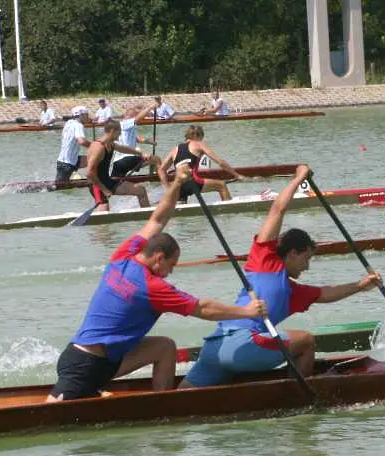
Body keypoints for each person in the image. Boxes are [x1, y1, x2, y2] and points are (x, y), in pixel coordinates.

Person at [46, 163, 267, 402]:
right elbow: (204, 308)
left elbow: (158, 218)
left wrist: (177, 183)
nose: (169, 273)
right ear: (159, 258)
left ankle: (163, 404)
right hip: (84, 366)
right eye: (171, 267)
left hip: (105, 361)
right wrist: (246, 310)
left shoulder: (124, 255)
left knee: (164, 347)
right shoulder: (152, 287)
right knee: (49, 414)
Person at [178, 165, 382, 388]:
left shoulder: (293, 292)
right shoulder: (265, 259)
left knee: (183, 393)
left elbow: (327, 293)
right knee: (305, 341)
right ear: (292, 253)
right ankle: (295, 397)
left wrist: (361, 285)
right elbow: (277, 210)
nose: (307, 266)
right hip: (246, 344)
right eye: (307, 258)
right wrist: (298, 178)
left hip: (215, 348)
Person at [157, 125, 247, 203]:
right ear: (197, 135)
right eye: (201, 137)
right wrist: (237, 175)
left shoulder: (175, 149)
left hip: (178, 186)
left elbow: (161, 170)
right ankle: (229, 214)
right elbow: (220, 162)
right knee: (221, 185)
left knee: (182, 211)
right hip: (193, 181)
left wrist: (168, 188)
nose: (202, 140)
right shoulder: (199, 144)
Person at [86, 120, 154, 211]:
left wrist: (141, 153)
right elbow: (89, 173)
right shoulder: (98, 148)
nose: (120, 134)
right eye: (119, 132)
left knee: (140, 190)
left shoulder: (110, 144)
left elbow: (123, 149)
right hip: (97, 185)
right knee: (104, 213)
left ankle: (149, 218)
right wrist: (104, 190)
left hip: (107, 181)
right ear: (113, 131)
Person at [110, 101, 163, 178]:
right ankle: (158, 179)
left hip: (117, 162)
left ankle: (152, 177)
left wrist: (150, 142)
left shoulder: (127, 127)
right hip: (127, 159)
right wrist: (150, 107)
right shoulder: (125, 123)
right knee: (156, 159)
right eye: (134, 117)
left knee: (116, 182)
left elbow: (137, 138)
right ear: (129, 116)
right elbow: (137, 119)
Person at [56, 106, 92, 182]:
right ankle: (80, 178)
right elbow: (82, 141)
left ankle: (86, 178)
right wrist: (95, 146)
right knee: (60, 187)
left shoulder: (68, 123)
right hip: (68, 164)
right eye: (87, 115)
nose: (88, 117)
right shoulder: (78, 125)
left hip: (63, 161)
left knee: (93, 159)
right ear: (81, 115)